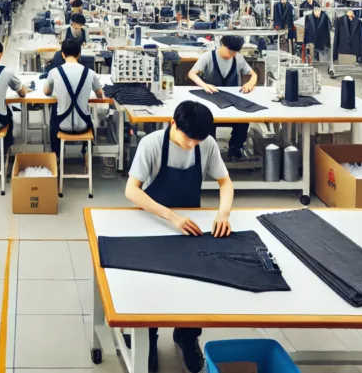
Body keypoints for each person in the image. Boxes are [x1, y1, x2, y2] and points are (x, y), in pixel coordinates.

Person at [125, 101, 233, 373]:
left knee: (194, 282)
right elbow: (132, 191)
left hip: (190, 225)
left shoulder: (204, 145)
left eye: (198, 140)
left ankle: (186, 336)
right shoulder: (151, 144)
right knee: (153, 282)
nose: (192, 145)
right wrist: (172, 217)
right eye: (188, 139)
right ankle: (148, 339)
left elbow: (225, 182)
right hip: (156, 221)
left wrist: (223, 214)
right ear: (173, 123)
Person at [187, 35, 258, 159]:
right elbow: (191, 73)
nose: (232, 54)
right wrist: (204, 85)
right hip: (212, 102)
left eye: (235, 52)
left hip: (232, 102)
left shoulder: (238, 58)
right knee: (206, 120)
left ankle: (235, 147)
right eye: (230, 51)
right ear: (223, 44)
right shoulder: (208, 57)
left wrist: (250, 83)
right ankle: (210, 150)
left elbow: (253, 74)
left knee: (243, 120)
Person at [43, 39, 104, 160]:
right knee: (87, 116)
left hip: (61, 125)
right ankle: (86, 154)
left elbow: (46, 92)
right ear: (79, 54)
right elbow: (99, 95)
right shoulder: (90, 73)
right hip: (83, 126)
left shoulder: (54, 72)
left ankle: (57, 156)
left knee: (55, 112)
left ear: (62, 54)